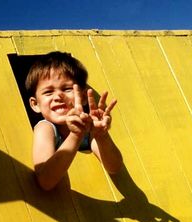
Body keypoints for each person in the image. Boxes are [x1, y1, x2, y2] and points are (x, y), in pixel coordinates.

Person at [26, 51, 123, 191]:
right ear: (35, 104)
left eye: (66, 89)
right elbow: (45, 181)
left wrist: (102, 135)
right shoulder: (45, 128)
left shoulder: (88, 127)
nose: (58, 96)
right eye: (48, 92)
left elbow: (114, 167)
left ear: (83, 97)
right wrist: (75, 135)